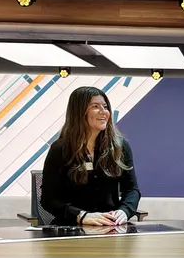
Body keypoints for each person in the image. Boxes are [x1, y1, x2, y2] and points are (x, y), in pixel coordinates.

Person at [40, 86, 140, 226]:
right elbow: (49, 199)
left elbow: (132, 189)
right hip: (72, 226)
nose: (103, 112)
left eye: (105, 107)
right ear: (79, 112)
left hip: (109, 226)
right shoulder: (60, 149)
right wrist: (81, 216)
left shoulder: (120, 146)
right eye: (95, 106)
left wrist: (124, 211)